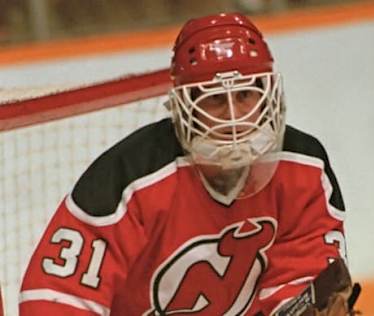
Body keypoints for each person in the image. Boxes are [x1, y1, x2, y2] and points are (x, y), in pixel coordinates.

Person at [19, 12, 356, 316]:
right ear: (185, 107)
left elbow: (300, 281)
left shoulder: (304, 168)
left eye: (244, 95)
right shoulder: (128, 179)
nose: (234, 117)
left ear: (269, 97)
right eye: (214, 99)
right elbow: (56, 298)